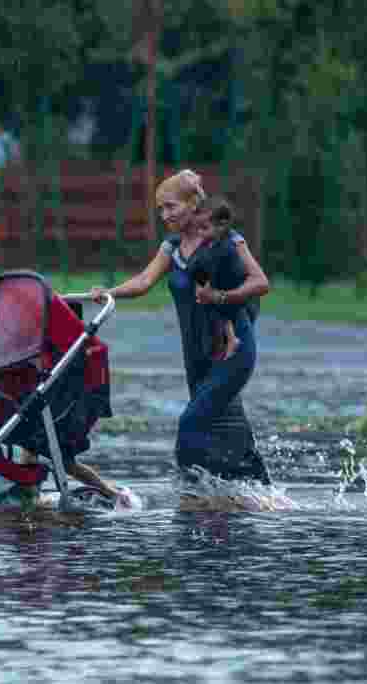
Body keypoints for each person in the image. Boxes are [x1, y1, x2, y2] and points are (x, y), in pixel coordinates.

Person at [90, 169, 272, 487]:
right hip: (196, 353)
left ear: (193, 204)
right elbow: (144, 282)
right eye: (160, 208)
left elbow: (260, 283)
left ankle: (191, 498)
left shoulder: (227, 238)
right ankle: (257, 495)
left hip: (233, 350)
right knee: (227, 428)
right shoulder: (172, 246)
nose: (164, 215)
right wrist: (109, 292)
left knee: (190, 424)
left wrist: (219, 296)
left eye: (171, 206)